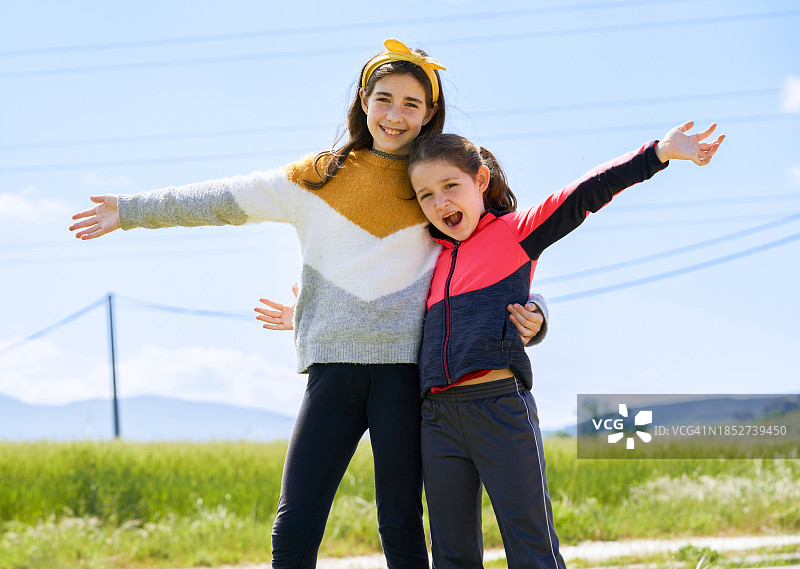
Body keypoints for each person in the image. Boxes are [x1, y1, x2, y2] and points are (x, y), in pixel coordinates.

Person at [68, 38, 547, 569]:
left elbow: (493, 255)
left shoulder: (432, 185)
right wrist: (133, 209)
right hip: (332, 373)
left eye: (412, 103)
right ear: (363, 101)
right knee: (295, 521)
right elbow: (225, 199)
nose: (395, 115)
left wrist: (538, 313)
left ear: (430, 114)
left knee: (401, 524)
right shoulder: (314, 177)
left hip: (405, 377)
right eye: (384, 98)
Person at [405, 123, 723, 569]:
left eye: (450, 186)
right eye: (425, 195)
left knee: (531, 547)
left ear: (481, 181)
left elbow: (584, 194)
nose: (440, 202)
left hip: (499, 407)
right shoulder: (424, 257)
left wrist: (659, 153)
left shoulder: (516, 233)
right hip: (437, 419)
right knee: (452, 556)